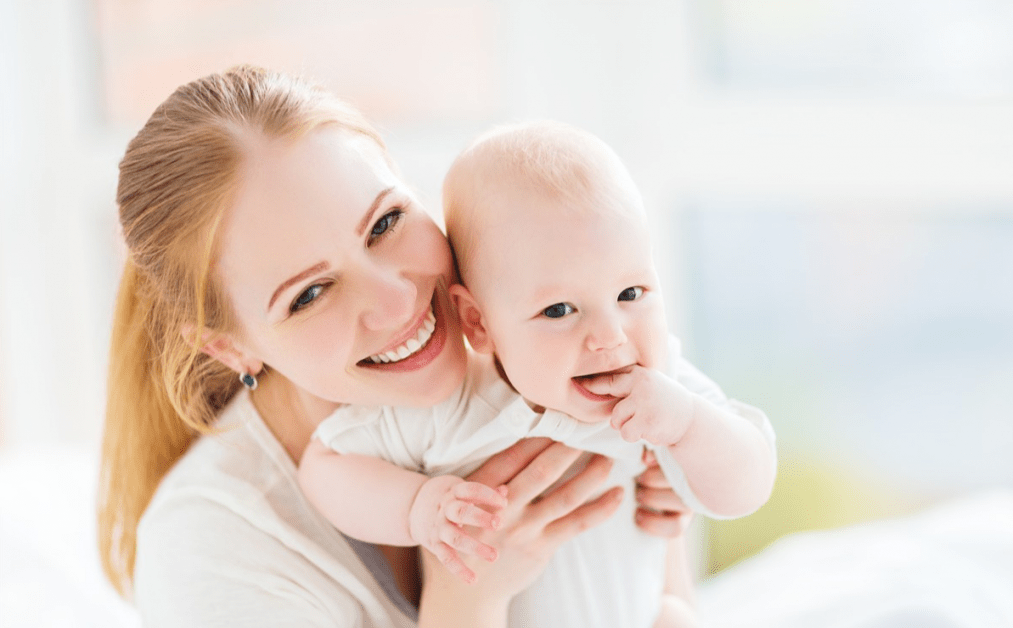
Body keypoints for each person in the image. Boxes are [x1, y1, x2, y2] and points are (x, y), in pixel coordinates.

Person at [96, 66, 695, 627]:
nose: (397, 301)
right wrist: (467, 597)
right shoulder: (212, 553)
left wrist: (666, 496)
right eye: (309, 294)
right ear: (230, 348)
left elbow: (666, 598)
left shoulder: (534, 336)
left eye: (385, 224)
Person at [297, 121, 778, 628]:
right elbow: (325, 466)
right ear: (478, 322)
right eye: (559, 310)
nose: (610, 336)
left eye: (631, 294)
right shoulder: (453, 406)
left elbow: (749, 485)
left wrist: (690, 428)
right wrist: (418, 508)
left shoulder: (667, 393)